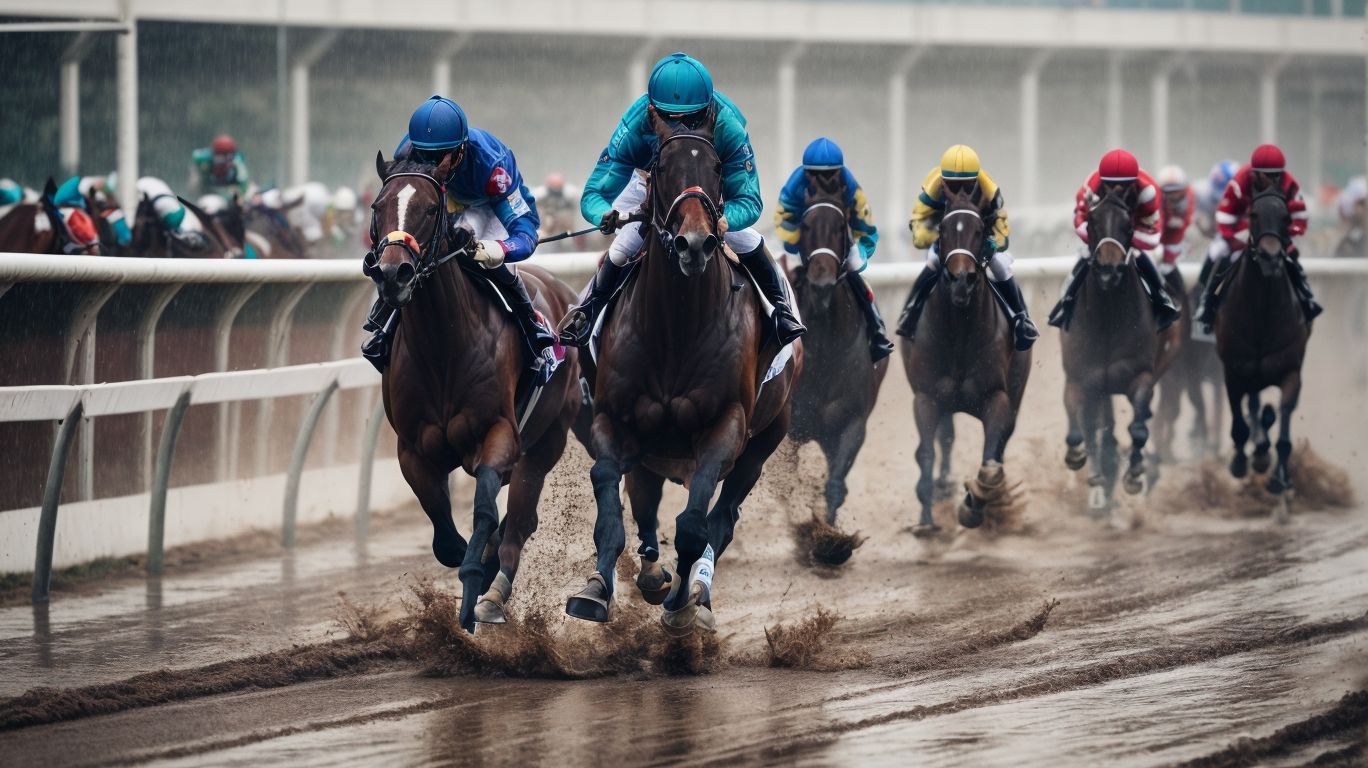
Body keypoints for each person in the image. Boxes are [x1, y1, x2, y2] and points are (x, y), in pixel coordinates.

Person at [558, 52, 804, 347]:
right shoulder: (636, 126)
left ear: (707, 109)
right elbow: (594, 194)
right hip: (650, 182)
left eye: (691, 119)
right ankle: (589, 312)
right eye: (669, 118)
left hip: (707, 187)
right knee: (625, 245)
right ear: (652, 110)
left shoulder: (727, 125)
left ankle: (781, 310)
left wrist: (727, 219)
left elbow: (750, 200)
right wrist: (604, 214)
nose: (680, 127)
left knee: (745, 239)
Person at [362, 95, 554, 372]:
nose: (430, 163)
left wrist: (499, 249)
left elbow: (525, 232)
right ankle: (384, 329)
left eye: (440, 157)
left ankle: (533, 328)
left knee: (486, 257)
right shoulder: (408, 153)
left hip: (488, 205)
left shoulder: (492, 166)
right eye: (424, 155)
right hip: (441, 203)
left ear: (462, 150)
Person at [896, 144, 1038, 351]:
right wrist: (940, 238)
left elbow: (1002, 232)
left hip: (979, 237)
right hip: (945, 237)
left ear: (976, 181)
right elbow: (918, 229)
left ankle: (1022, 320)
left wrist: (992, 244)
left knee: (1001, 265)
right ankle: (910, 314)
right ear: (943, 182)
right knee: (934, 261)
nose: (961, 192)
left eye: (967, 185)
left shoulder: (989, 191)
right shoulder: (931, 190)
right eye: (954, 186)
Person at [774, 136, 894, 361]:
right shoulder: (794, 186)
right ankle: (774, 332)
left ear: (840, 172)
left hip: (838, 245)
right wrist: (796, 243)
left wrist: (862, 251)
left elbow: (866, 227)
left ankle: (876, 331)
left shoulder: (851, 188)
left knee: (857, 277)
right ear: (806, 172)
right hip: (803, 245)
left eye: (830, 174)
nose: (824, 179)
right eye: (817, 174)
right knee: (781, 280)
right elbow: (783, 221)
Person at [1048, 148, 1181, 332]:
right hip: (1100, 231)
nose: (1115, 190)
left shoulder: (1149, 193)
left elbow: (1154, 235)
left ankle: (1162, 299)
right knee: (1086, 255)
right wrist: (1098, 240)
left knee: (1146, 256)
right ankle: (1065, 302)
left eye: (1123, 186)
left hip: (1135, 229)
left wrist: (1124, 239)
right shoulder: (1090, 188)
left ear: (1133, 183)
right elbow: (1079, 220)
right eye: (1109, 185)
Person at [1195, 143, 1321, 330]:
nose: (1273, 180)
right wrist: (1237, 240)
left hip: (1275, 233)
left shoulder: (1289, 184)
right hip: (1241, 229)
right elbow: (1224, 215)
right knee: (1217, 253)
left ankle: (1307, 300)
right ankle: (1206, 303)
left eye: (1276, 175)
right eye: (1267, 176)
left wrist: (1287, 235)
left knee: (1292, 258)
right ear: (1255, 174)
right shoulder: (1240, 182)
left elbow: (1300, 218)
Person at [1156, 164, 1195, 274]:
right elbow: (1156, 225)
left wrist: (1169, 257)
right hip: (1156, 239)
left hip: (1177, 239)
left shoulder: (1190, 196)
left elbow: (1183, 225)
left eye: (1176, 192)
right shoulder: (1156, 198)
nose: (1173, 196)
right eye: (1169, 192)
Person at [189, 134, 252, 201]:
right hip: (208, 183)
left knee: (245, 192)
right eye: (220, 156)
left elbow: (243, 179)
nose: (223, 160)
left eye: (227, 156)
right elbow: (195, 155)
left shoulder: (237, 161)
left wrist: (241, 195)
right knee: (195, 184)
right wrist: (203, 168)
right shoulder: (206, 157)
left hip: (230, 183)